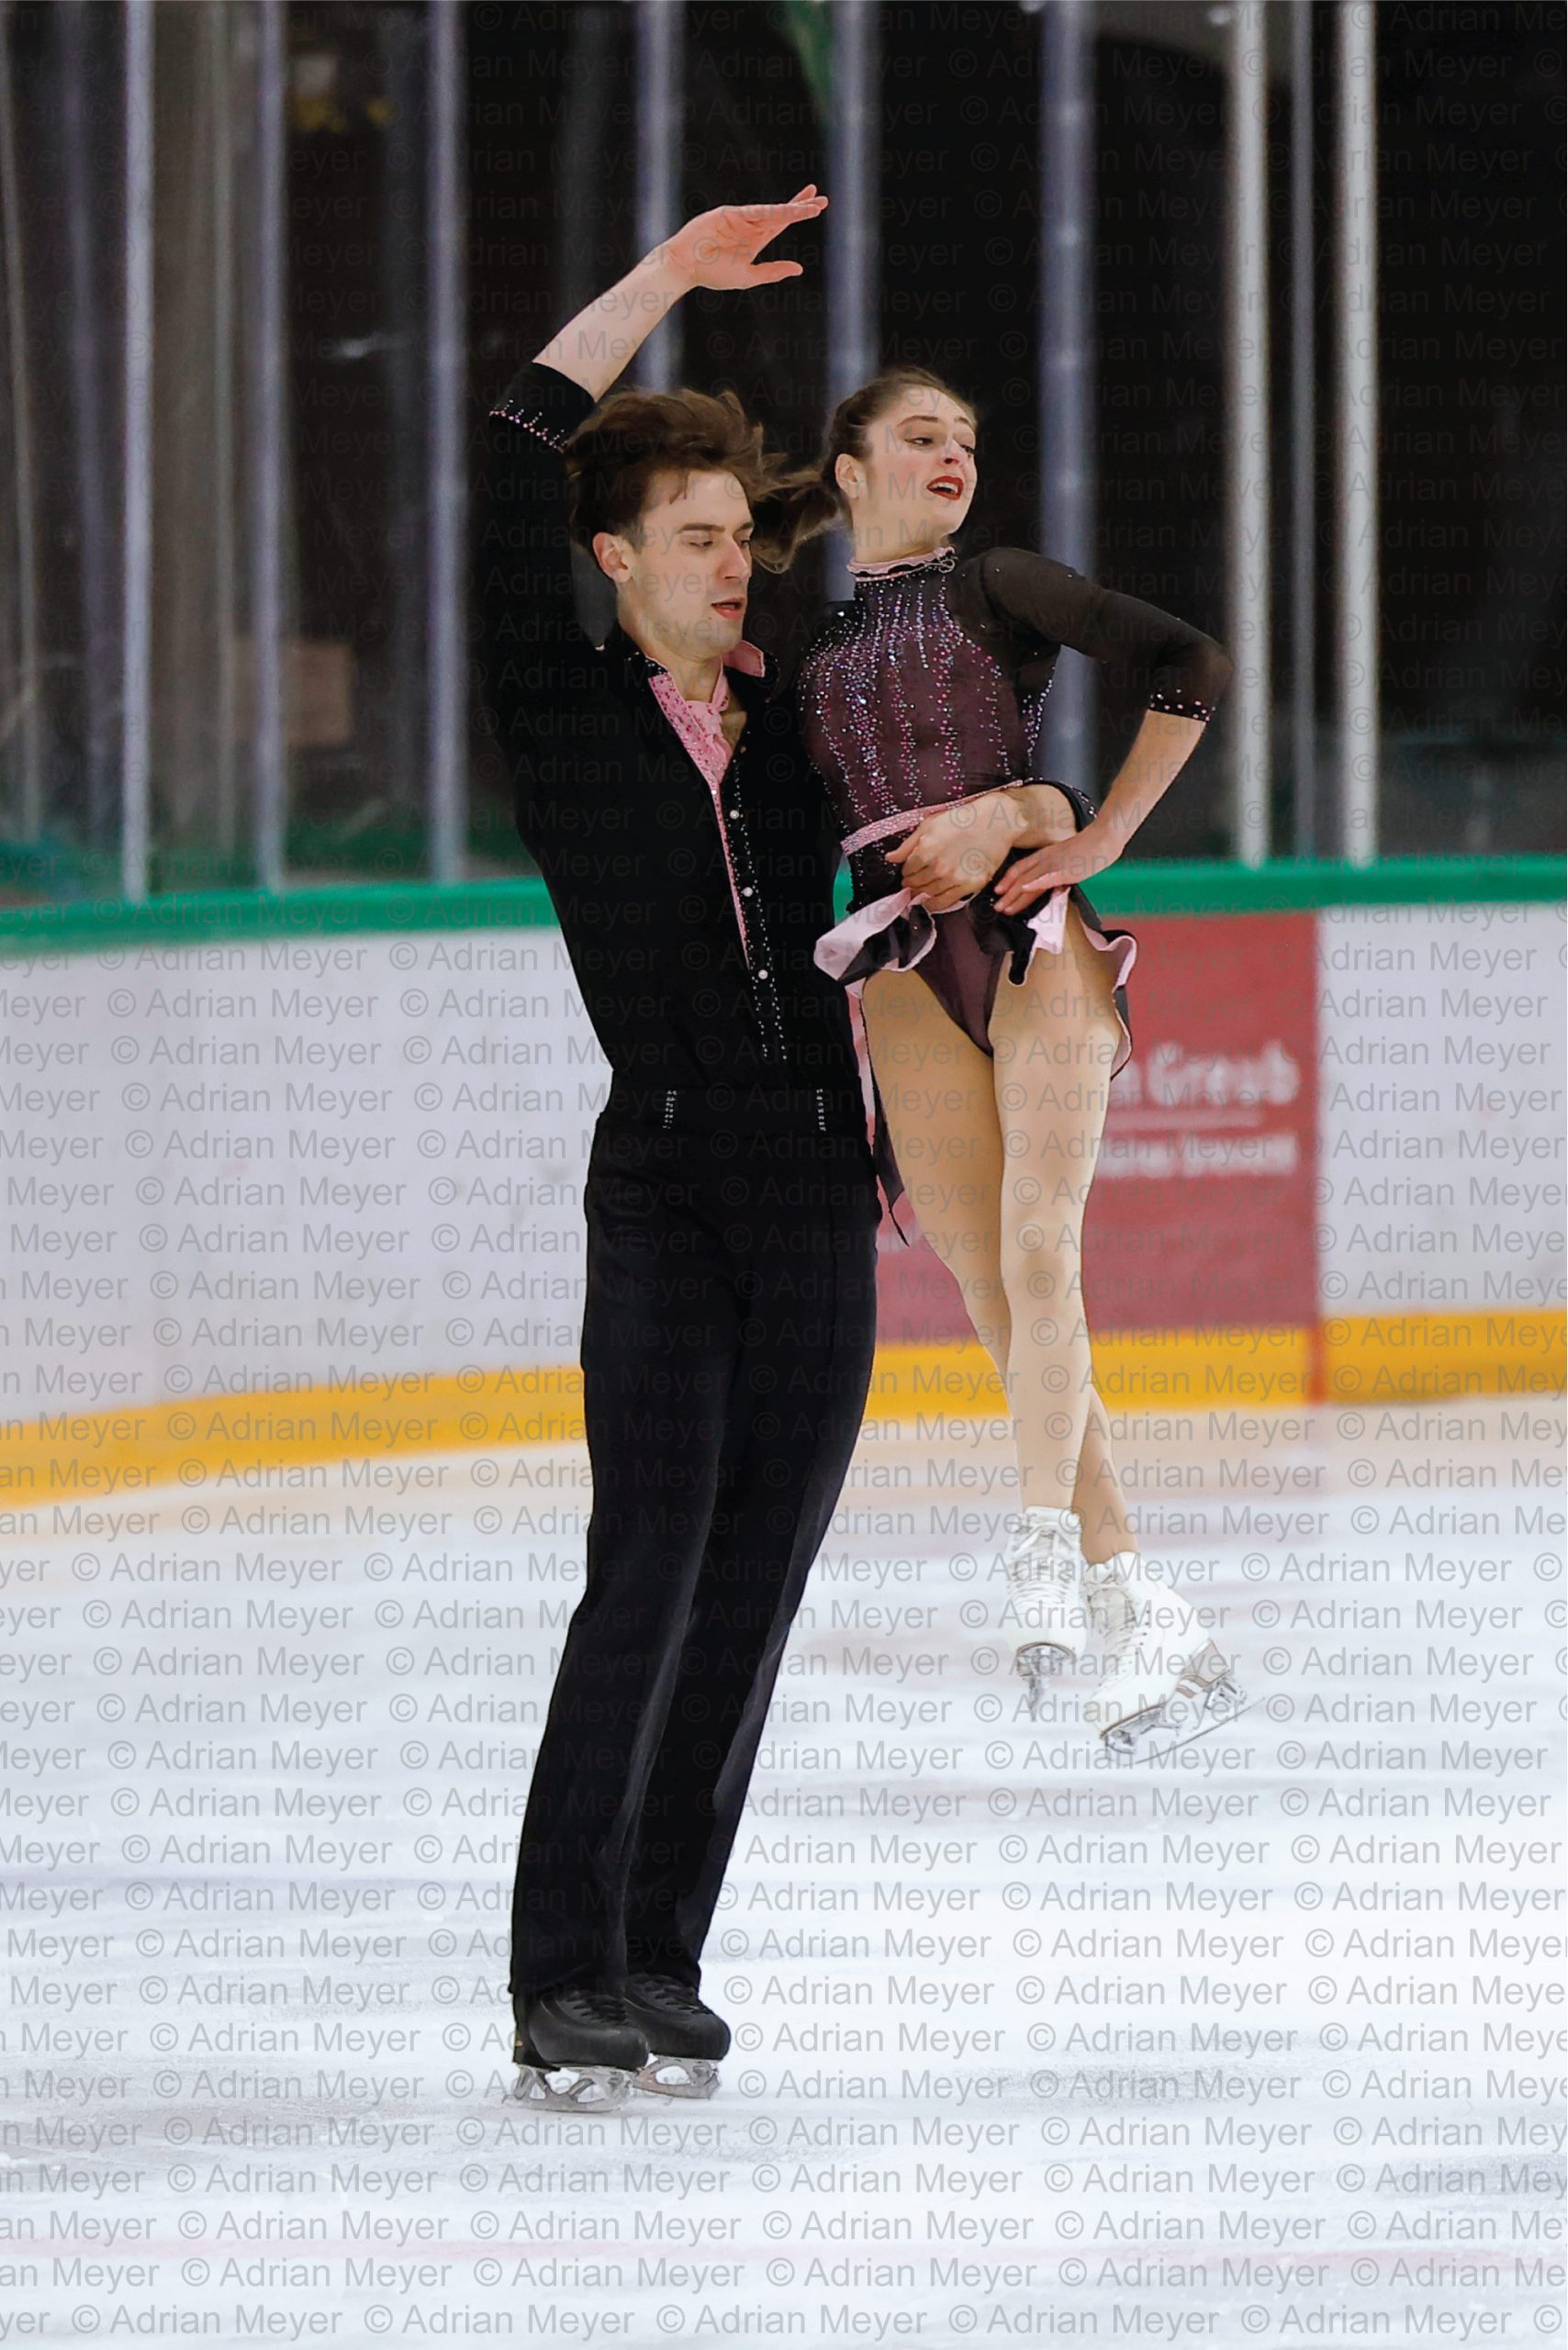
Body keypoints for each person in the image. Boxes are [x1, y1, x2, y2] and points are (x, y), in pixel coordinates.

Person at [478, 191, 881, 2107]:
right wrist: (651, 283)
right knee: (642, 1562)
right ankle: (557, 1968)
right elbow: (509, 447)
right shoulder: (563, 715)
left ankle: (655, 1952)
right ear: (617, 557)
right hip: (661, 1192)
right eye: (698, 540)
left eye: (743, 537)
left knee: (756, 1577)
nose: (735, 566)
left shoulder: (801, 721)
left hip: (818, 1196)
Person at [767, 354, 1255, 1762]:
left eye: (968, 439)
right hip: (907, 966)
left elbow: (1190, 662)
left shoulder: (1002, 584)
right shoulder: (802, 648)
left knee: (1044, 1252)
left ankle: (1045, 1545)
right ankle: (1138, 1600)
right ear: (850, 469)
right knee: (991, 1289)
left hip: (1035, 937)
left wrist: (1084, 831)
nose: (954, 455)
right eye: (921, 436)